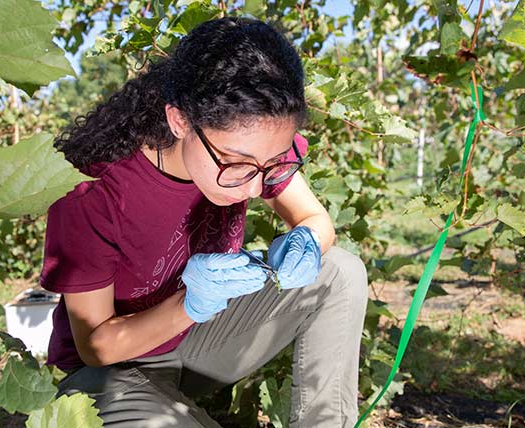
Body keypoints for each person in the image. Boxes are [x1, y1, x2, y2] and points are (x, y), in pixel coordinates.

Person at [40, 16, 368, 428]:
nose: (254, 189)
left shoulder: (258, 144)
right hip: (111, 371)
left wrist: (307, 238)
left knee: (340, 271)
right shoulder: (95, 191)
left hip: (199, 345)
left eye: (273, 165)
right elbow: (97, 347)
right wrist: (191, 304)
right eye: (236, 165)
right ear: (180, 121)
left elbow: (315, 219)